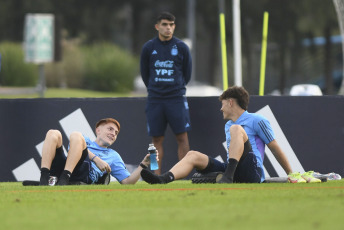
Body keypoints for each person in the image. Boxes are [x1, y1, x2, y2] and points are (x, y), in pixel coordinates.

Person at [141, 86, 317, 184]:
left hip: (252, 172)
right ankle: (163, 179)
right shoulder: (228, 125)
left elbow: (276, 148)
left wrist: (291, 174)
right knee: (192, 154)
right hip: (231, 170)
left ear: (231, 102)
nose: (220, 108)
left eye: (223, 104)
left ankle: (228, 176)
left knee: (236, 130)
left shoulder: (257, 120)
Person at [140, 12, 192, 174]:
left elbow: (187, 74)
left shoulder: (182, 47)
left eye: (171, 25)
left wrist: (175, 87)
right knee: (156, 140)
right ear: (157, 26)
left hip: (176, 99)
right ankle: (156, 173)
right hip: (155, 100)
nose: (168, 28)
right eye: (164, 24)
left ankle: (182, 173)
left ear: (174, 27)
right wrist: (155, 88)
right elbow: (144, 74)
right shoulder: (149, 48)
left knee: (182, 138)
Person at [39, 118, 152, 185]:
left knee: (76, 135)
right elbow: (72, 150)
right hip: (67, 167)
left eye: (116, 133)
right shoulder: (84, 140)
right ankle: (43, 178)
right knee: (53, 133)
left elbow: (128, 182)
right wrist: (96, 159)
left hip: (84, 175)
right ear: (98, 130)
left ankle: (64, 179)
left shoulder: (113, 155)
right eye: (110, 129)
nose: (113, 133)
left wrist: (143, 165)